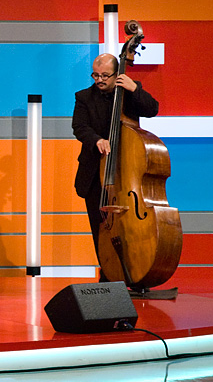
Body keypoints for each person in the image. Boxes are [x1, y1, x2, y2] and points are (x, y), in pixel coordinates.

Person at [72, 53, 159, 280]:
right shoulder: (84, 97)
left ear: (116, 74)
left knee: (131, 227)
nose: (99, 80)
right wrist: (96, 140)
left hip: (127, 173)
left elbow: (152, 109)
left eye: (105, 76)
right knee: (101, 228)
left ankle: (134, 272)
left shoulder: (130, 91)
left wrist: (134, 89)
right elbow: (79, 127)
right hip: (95, 174)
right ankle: (108, 275)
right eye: (95, 75)